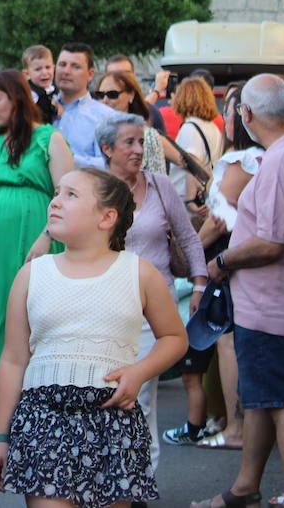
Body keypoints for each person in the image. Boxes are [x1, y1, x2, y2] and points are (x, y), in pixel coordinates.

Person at [0, 168, 186, 506]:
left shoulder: (139, 272)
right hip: (43, 419)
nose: (55, 202)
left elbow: (174, 337)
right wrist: (1, 436)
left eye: (71, 195)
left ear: (107, 217)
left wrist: (140, 371)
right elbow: (12, 360)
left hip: (112, 419)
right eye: (56, 193)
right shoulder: (32, 273)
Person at [195, 75, 284, 508]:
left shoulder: (281, 161)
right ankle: (245, 487)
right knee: (260, 399)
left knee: (282, 402)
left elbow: (271, 242)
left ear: (249, 114)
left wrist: (221, 262)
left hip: (272, 304)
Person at [0, 69, 74, 439]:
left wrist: (47, 235)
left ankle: (27, 406)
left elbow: (68, 192)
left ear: (16, 100)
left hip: (35, 238)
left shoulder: (47, 138)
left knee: (31, 319)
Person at [96, 112, 207, 473]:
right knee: (103, 392)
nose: (138, 149)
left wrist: (201, 281)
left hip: (151, 308)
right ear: (107, 148)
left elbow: (188, 238)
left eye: (141, 141)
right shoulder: (94, 188)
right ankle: (112, 473)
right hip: (102, 306)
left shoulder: (159, 185)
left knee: (140, 393)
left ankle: (141, 475)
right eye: (129, 142)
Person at [166, 82, 261, 451]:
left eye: (236, 109)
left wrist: (198, 255)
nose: (229, 116)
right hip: (238, 259)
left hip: (228, 259)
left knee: (226, 342)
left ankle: (236, 426)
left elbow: (222, 218)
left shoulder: (243, 160)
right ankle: (229, 421)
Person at [94, 67, 184, 175]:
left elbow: (182, 161)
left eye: (112, 94)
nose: (105, 100)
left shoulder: (149, 136)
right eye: (100, 95)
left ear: (131, 95)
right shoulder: (91, 131)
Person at [53, 42, 114, 168]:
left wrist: (65, 159)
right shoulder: (36, 108)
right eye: (62, 65)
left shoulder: (104, 117)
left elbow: (109, 166)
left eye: (75, 67)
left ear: (90, 74)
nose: (66, 71)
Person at [171, 75, 224, 205]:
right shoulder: (212, 127)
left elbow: (193, 163)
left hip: (189, 199)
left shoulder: (190, 127)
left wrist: (189, 200)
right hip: (206, 196)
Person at [21, 44, 59, 125]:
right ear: (27, 74)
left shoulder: (57, 88)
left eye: (48, 67)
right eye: (38, 69)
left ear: (54, 68)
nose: (44, 72)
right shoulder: (31, 94)